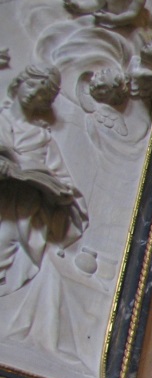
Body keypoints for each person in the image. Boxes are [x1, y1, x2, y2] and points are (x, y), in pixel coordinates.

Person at [0, 66, 88, 297]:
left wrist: (60, 191)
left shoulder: (42, 138)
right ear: (18, 83)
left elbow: (62, 180)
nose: (32, 94)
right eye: (30, 85)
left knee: (3, 243)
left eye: (41, 93)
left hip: (20, 206)